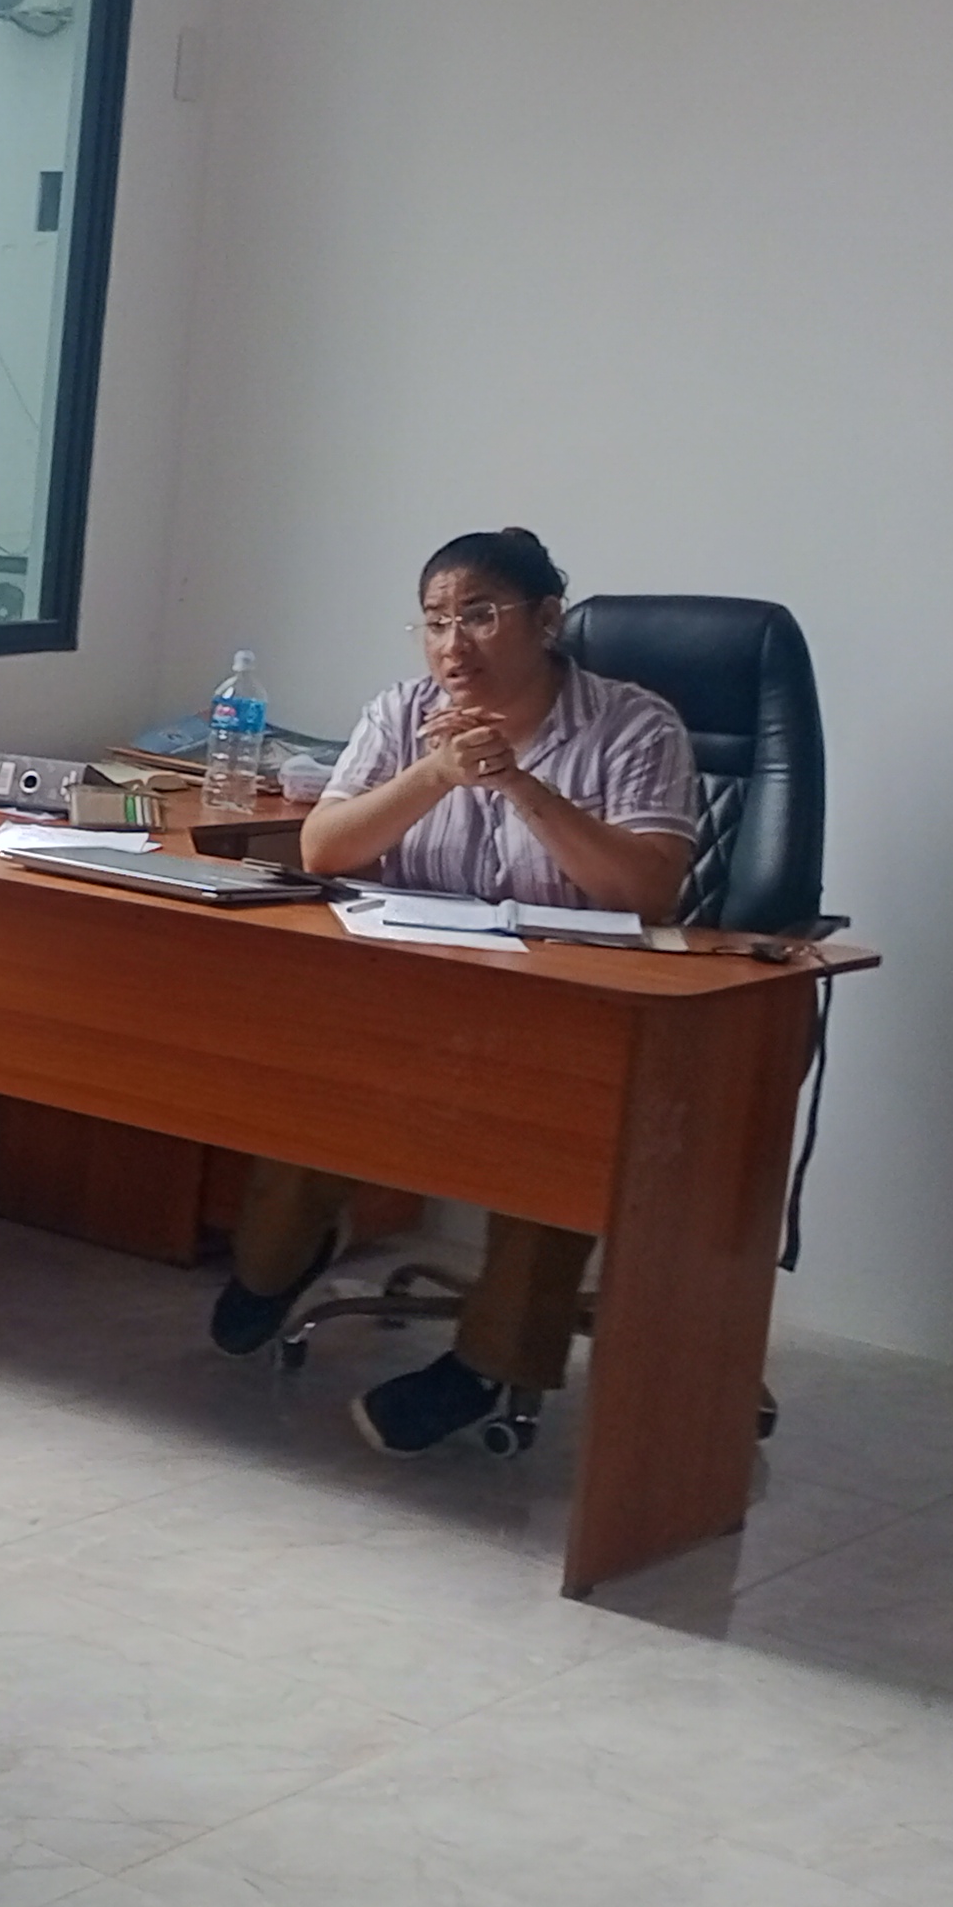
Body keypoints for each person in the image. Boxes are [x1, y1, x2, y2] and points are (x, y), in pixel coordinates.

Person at [206, 527, 698, 1454]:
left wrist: (519, 786)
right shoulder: (404, 713)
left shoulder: (637, 727)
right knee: (301, 1076)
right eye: (434, 622)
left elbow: (647, 891)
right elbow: (324, 849)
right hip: (416, 994)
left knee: (565, 1130)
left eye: (478, 615)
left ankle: (489, 1364)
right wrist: (436, 772)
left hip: (571, 1013)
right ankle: (281, 1261)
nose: (451, 644)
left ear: (545, 620)